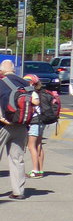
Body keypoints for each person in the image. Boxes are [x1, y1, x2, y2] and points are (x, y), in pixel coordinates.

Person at [0, 59, 31, 199]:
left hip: (3, 125)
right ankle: (18, 192)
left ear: (1, 71)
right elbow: (35, 102)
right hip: (21, 125)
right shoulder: (25, 84)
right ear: (14, 70)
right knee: (17, 159)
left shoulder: (1, 83)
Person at [25, 73, 58, 179]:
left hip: (34, 122)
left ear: (30, 83)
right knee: (38, 145)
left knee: (31, 146)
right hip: (41, 121)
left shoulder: (32, 93)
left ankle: (35, 171)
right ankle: (40, 170)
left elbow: (35, 102)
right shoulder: (40, 92)